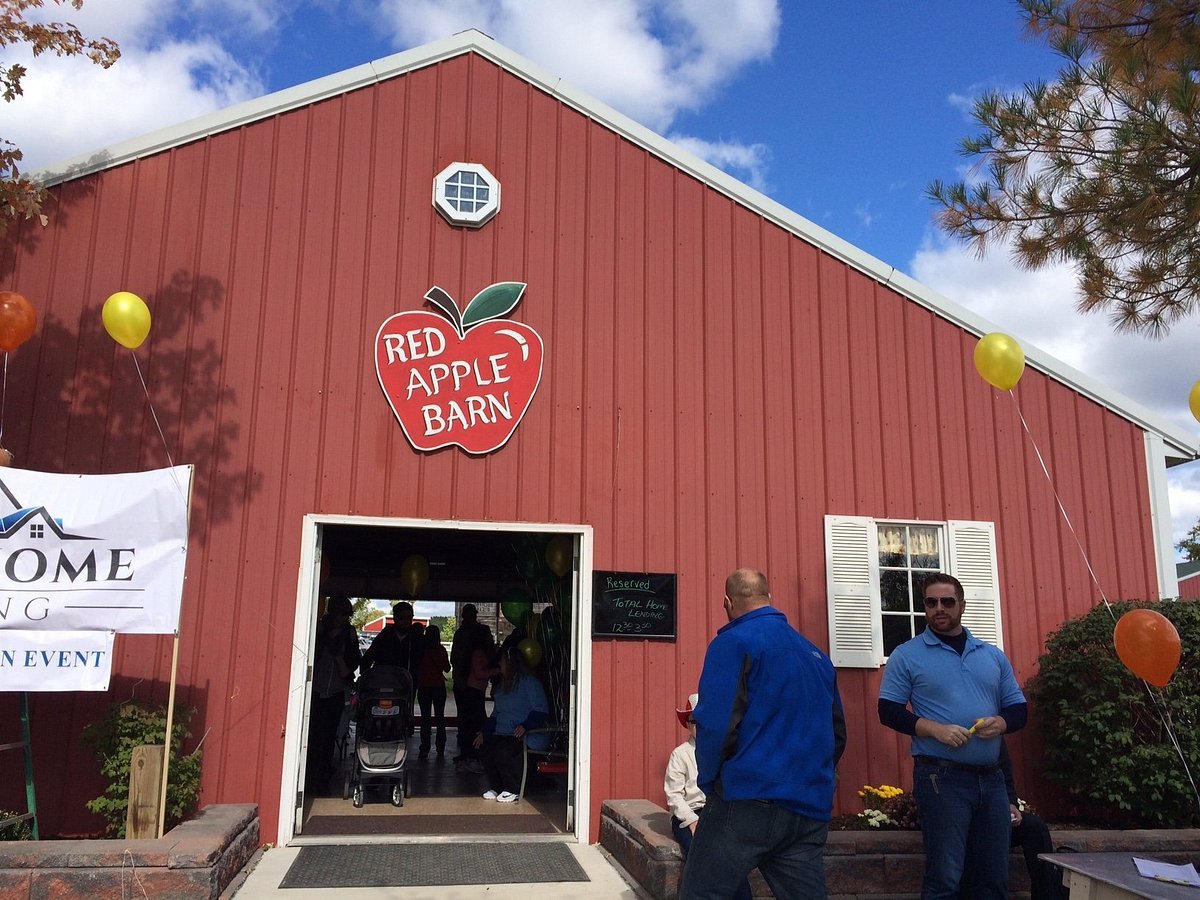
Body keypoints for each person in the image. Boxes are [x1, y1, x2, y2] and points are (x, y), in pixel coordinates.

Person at [680, 568, 846, 900]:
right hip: (806, 807)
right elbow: (837, 733)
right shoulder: (816, 656)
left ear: (727, 603)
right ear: (769, 598)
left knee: (702, 894)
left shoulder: (734, 642)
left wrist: (711, 784)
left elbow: (716, 724)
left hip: (747, 798)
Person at [878, 572, 1028, 900]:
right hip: (940, 778)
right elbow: (888, 711)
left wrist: (1000, 724)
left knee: (993, 878)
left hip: (992, 780)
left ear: (962, 605)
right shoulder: (907, 654)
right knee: (945, 877)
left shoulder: (991, 655)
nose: (939, 608)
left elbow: (1019, 710)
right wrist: (933, 728)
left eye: (947, 601)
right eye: (931, 603)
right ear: (924, 608)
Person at [958, 740, 1069, 900]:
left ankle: (1047, 895)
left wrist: (1011, 803)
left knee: (1035, 828)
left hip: (996, 811)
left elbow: (1006, 777)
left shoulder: (992, 735)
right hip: (961, 816)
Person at [666, 693, 751, 900]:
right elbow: (674, 795)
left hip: (718, 812)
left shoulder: (723, 753)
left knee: (734, 855)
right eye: (695, 721)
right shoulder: (681, 754)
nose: (701, 726)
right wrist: (691, 820)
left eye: (706, 720)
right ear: (687, 724)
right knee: (701, 852)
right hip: (690, 814)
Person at [473, 643, 549, 802]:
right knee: (485, 749)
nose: (499, 665)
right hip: (503, 733)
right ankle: (497, 787)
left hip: (524, 734)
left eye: (501, 661)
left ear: (510, 663)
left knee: (503, 751)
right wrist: (483, 733)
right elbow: (495, 714)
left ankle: (513, 789)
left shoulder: (530, 683)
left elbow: (540, 710)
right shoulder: (503, 686)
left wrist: (525, 725)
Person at [305, 595, 361, 793]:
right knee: (313, 733)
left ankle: (323, 772)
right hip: (316, 689)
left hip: (337, 690)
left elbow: (356, 659)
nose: (347, 618)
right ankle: (309, 771)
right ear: (334, 612)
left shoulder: (350, 633)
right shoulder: (318, 629)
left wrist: (345, 665)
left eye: (350, 614)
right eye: (344, 613)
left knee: (330, 734)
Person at [456, 623, 498, 774]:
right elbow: (479, 674)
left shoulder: (475, 652)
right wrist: (497, 670)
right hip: (474, 692)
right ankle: (471, 759)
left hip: (475, 692)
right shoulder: (479, 653)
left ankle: (469, 758)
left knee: (473, 726)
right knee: (476, 727)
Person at [360, 600, 424, 685]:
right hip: (383, 682)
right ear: (394, 618)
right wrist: (365, 677)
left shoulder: (416, 638)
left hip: (406, 684)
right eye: (401, 618)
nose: (405, 621)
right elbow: (369, 656)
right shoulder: (384, 636)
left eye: (409, 618)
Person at [450, 603, 482, 758]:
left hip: (468, 682)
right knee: (469, 718)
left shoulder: (462, 633)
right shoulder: (477, 633)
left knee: (467, 718)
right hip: (470, 682)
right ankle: (470, 752)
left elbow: (454, 659)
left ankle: (471, 752)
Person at [416, 623, 451, 759]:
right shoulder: (441, 650)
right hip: (438, 686)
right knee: (439, 717)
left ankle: (424, 748)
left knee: (425, 718)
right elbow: (447, 669)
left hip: (423, 686)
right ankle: (440, 748)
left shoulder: (421, 650)